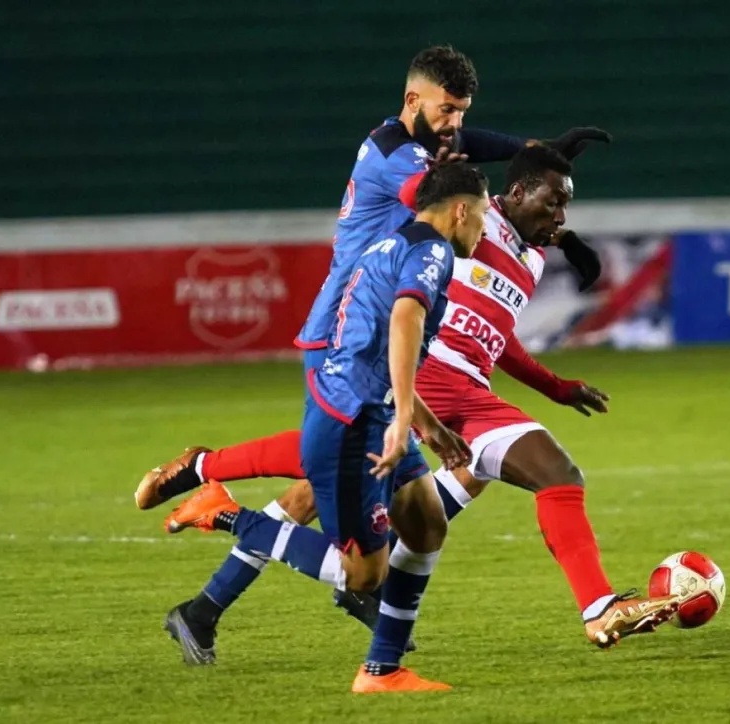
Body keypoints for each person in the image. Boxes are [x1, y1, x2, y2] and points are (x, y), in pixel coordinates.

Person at [149, 147, 680, 653]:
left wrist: (555, 386)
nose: (561, 217)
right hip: (420, 373)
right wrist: (522, 153)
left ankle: (205, 607)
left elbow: (499, 335)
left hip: (469, 390)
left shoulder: (532, 258)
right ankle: (208, 471)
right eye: (554, 202)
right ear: (513, 194)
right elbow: (427, 198)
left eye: (567, 205)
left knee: (352, 492)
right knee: (336, 473)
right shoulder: (473, 216)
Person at [165, 164, 489, 693]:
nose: (483, 227)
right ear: (459, 210)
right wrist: (404, 418)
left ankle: (383, 669)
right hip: (354, 423)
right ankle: (226, 514)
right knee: (362, 575)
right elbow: (404, 319)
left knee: (427, 525)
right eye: (482, 214)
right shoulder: (433, 251)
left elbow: (377, 343)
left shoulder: (393, 242)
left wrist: (425, 424)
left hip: (366, 411)